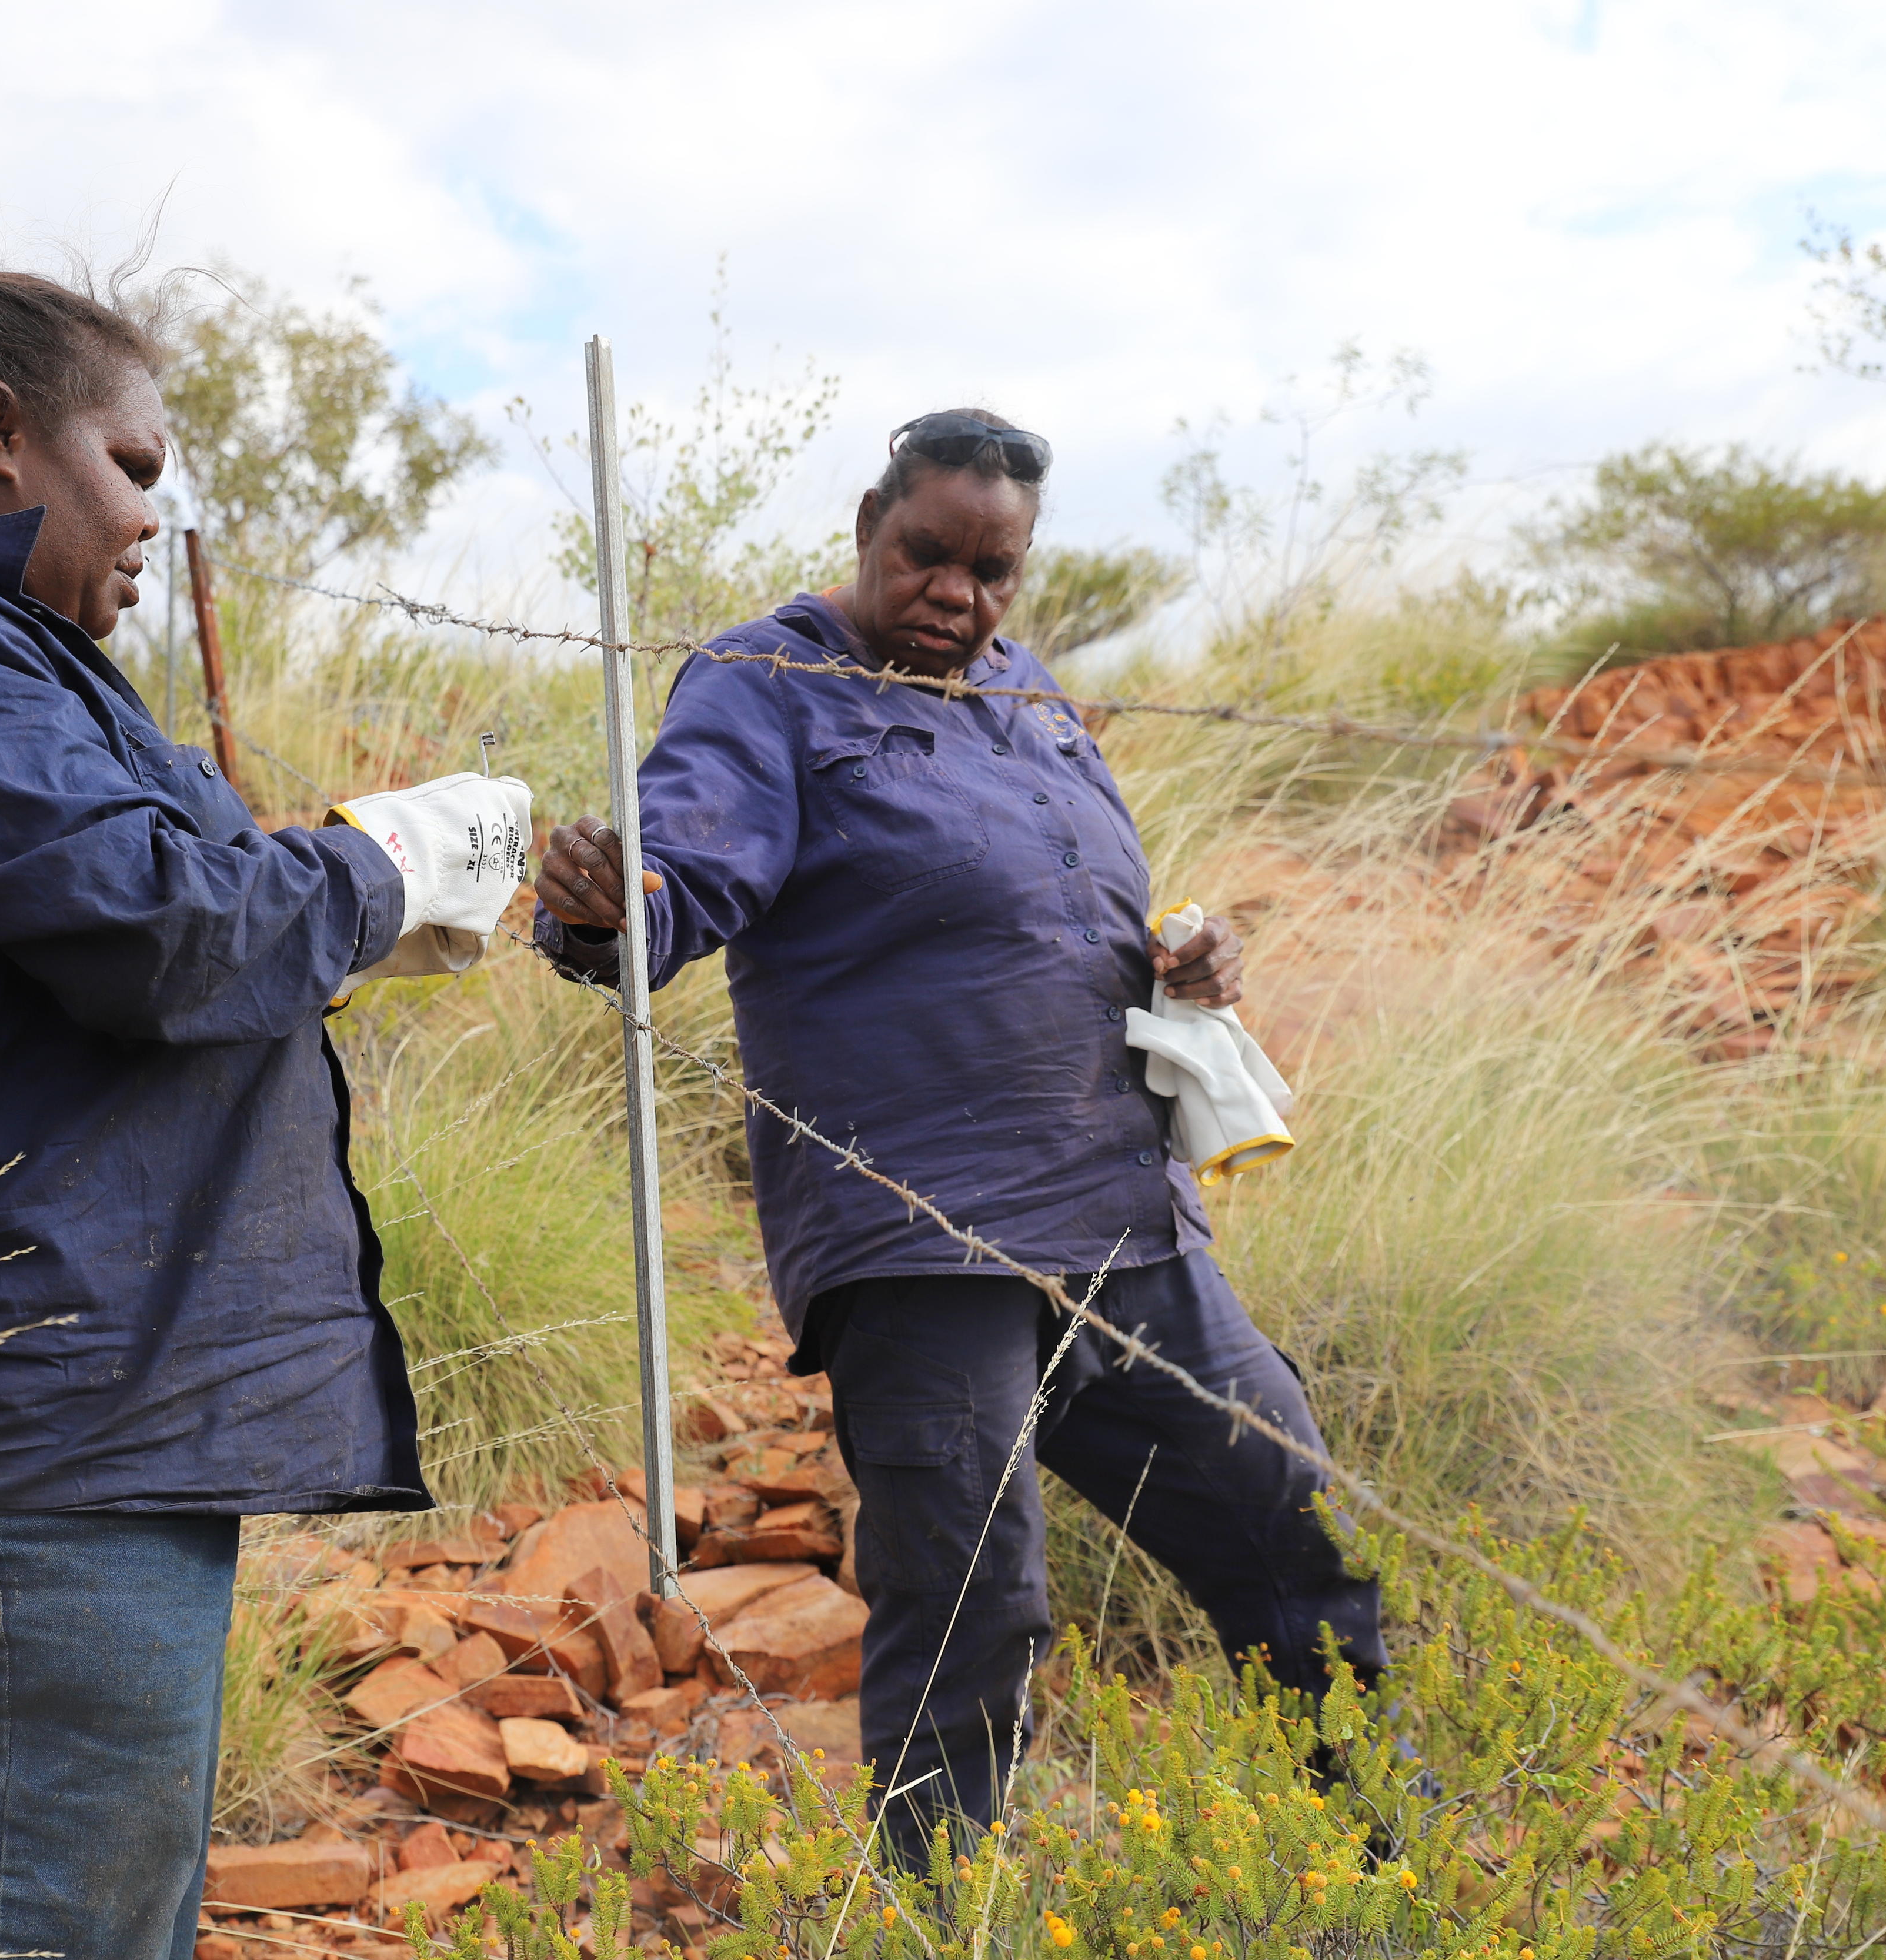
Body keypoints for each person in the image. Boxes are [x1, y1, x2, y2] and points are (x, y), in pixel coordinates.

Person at [0, 268, 527, 1960]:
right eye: (138, 465)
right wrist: (387, 864)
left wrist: (342, 895)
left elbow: (150, 921)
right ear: (3, 434)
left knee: (80, 1916)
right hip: (21, 1415)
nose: (154, 516)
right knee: (42, 1924)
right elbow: (171, 936)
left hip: (67, 1403)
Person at [534, 409, 1384, 1868]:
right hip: (921, 1233)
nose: (957, 597)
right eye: (929, 556)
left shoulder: (1034, 695)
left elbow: (1072, 905)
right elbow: (686, 870)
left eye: (994, 572)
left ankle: (1372, 1846)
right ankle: (938, 1903)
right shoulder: (767, 682)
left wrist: (1187, 957)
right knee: (971, 1596)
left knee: (1286, 1512)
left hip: (1121, 1215)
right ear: (872, 520)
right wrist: (615, 904)